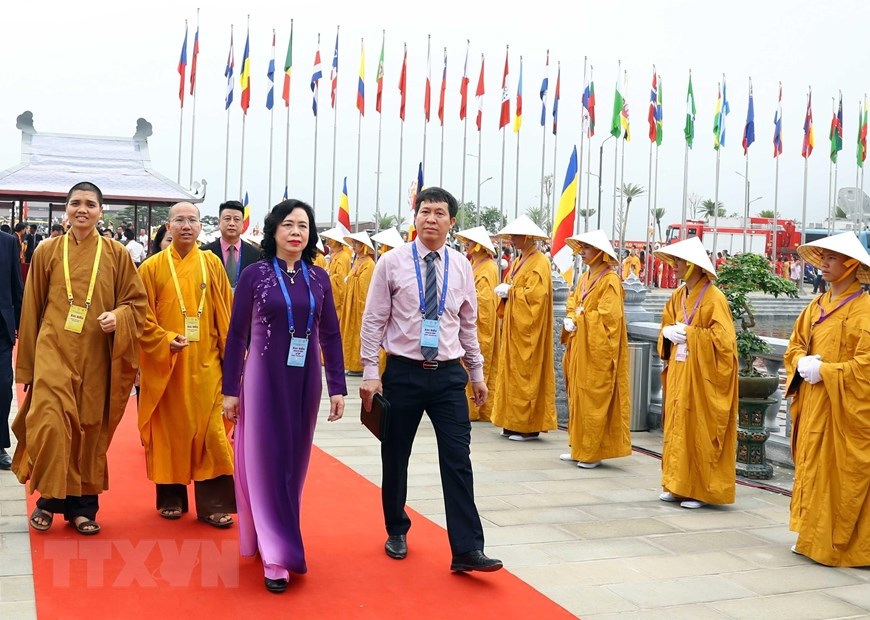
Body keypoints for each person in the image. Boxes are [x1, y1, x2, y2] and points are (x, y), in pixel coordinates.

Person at [359, 186, 502, 573]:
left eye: (440, 213)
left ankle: (467, 549)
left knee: (458, 459)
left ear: (452, 222)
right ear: (415, 217)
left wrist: (477, 374)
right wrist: (371, 372)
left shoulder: (461, 266)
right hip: (403, 374)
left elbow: (468, 324)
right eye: (425, 211)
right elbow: (373, 320)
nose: (431, 219)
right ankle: (396, 528)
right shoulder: (391, 264)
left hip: (448, 376)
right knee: (396, 455)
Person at [222, 199, 346, 593]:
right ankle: (277, 556)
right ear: (273, 230)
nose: (296, 232)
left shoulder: (319, 277)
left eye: (303, 227)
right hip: (261, 379)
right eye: (289, 225)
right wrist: (230, 390)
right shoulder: (254, 275)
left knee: (293, 463)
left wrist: (338, 387)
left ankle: (270, 531)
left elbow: (330, 334)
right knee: (265, 459)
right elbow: (237, 334)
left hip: (306, 379)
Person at [11, 182, 147, 534]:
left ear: (101, 211)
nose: (82, 209)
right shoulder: (47, 250)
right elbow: (32, 309)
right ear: (66, 209)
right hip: (53, 350)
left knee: (88, 428)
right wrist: (26, 366)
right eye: (75, 203)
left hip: (96, 356)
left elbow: (137, 305)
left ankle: (83, 507)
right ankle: (48, 501)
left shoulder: (117, 254)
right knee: (52, 424)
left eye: (90, 204)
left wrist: (118, 317)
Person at [138, 202, 236, 528]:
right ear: (168, 227)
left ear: (200, 227)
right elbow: (142, 317)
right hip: (168, 367)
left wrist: (235, 360)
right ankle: (171, 498)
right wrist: (164, 338)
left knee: (213, 435)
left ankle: (214, 504)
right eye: (179, 220)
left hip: (208, 365)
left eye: (192, 220)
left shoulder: (211, 264)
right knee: (171, 434)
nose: (186, 226)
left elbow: (226, 316)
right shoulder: (151, 268)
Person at [784, 232, 870, 566]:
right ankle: (811, 535)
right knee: (814, 470)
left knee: (841, 474)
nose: (824, 263)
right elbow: (794, 346)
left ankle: (845, 546)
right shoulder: (815, 306)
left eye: (832, 258)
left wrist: (828, 372)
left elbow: (865, 366)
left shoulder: (864, 311)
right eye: (823, 257)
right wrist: (799, 363)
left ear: (851, 266)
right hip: (815, 405)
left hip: (844, 409)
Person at [654, 236, 738, 509]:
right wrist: (666, 333)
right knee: (678, 427)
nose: (674, 266)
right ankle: (676, 484)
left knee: (698, 429)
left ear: (693, 265)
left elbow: (724, 343)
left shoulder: (715, 298)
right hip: (680, 372)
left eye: (678, 261)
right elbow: (667, 325)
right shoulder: (678, 296)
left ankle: (698, 489)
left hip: (702, 377)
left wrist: (689, 334)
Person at [560, 230, 630, 469]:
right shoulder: (585, 277)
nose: (582, 253)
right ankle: (578, 446)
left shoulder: (610, 280)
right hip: (580, 345)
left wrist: (581, 319)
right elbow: (574, 301)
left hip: (597, 349)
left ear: (600, 253)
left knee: (593, 398)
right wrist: (571, 315)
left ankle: (592, 451)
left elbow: (609, 317)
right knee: (578, 396)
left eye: (586, 249)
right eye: (581, 249)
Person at [490, 215, 556, 441]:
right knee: (511, 374)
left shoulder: (540, 262)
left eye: (515, 237)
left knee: (526, 374)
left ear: (528, 237)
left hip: (529, 331)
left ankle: (527, 426)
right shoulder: (519, 260)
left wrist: (512, 293)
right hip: (513, 328)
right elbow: (514, 285)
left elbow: (536, 297)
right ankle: (511, 422)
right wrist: (507, 290)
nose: (511, 241)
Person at [454, 225, 499, 423]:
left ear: (480, 246)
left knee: (478, 363)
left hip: (480, 324)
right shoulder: (474, 264)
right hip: (469, 321)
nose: (467, 246)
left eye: (470, 243)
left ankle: (477, 408)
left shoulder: (488, 267)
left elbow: (484, 299)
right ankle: (470, 407)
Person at [0, 230, 22, 470]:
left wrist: (22, 325)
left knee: (2, 388)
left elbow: (17, 286)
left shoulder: (7, 242)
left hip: (1, 331)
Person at [200, 200, 260, 289]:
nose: (232, 223)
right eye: (227, 219)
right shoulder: (203, 253)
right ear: (219, 223)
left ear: (243, 224)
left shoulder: (256, 254)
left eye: (236, 219)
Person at [341, 231, 376, 376]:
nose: (353, 246)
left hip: (360, 306)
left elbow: (364, 286)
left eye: (356, 243)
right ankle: (351, 364)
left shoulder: (369, 263)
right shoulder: (357, 261)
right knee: (350, 333)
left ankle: (359, 366)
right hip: (351, 305)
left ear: (364, 246)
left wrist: (350, 280)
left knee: (359, 335)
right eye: (353, 243)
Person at [320, 228, 351, 325]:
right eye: (327, 239)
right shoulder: (333, 255)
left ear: (338, 242)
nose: (328, 241)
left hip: (338, 297)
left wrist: (329, 277)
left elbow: (340, 278)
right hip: (330, 294)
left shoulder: (344, 256)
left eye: (331, 239)